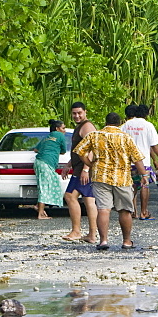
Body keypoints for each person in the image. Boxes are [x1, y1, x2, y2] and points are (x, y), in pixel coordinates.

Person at [74, 112, 148, 250]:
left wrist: (89, 164)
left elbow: (79, 151)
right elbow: (137, 158)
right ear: (120, 123)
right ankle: (126, 241)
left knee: (103, 209)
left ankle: (103, 241)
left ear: (105, 122)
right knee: (125, 210)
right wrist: (144, 175)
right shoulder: (126, 138)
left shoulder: (94, 135)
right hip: (122, 179)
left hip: (100, 177)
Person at [122, 104, 158, 220]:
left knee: (132, 187)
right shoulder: (148, 125)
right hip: (144, 162)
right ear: (146, 114)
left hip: (128, 163)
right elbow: (153, 145)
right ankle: (143, 212)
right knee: (144, 186)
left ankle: (133, 212)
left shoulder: (126, 125)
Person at [63, 102, 98, 242]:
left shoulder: (87, 127)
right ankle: (92, 235)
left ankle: (76, 231)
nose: (77, 116)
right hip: (80, 167)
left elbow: (92, 148)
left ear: (85, 112)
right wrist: (68, 164)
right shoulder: (80, 127)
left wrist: (86, 168)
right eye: (74, 113)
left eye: (79, 113)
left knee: (70, 196)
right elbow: (79, 150)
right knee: (88, 199)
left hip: (84, 169)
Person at [32, 119, 67, 220]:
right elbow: (64, 151)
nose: (64, 130)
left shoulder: (47, 137)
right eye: (63, 128)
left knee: (49, 183)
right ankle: (40, 213)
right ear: (57, 128)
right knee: (45, 187)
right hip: (46, 163)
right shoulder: (59, 135)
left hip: (39, 162)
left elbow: (35, 149)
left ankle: (39, 206)